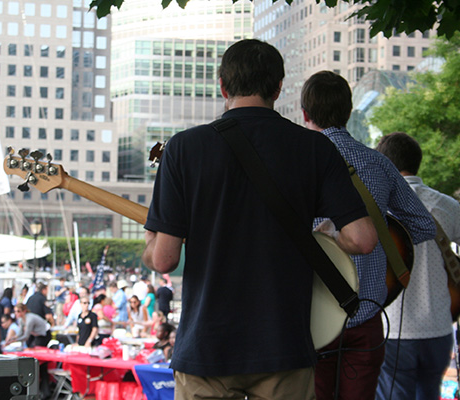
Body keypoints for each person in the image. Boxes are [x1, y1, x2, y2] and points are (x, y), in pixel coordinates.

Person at [142, 39, 378, 400]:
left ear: (222, 85)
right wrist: (325, 240)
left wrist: (150, 244)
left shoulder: (184, 148)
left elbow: (164, 259)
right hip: (285, 345)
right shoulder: (314, 148)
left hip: (207, 348)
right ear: (279, 87)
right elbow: (362, 239)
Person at [300, 71, 437, 400]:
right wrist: (377, 228)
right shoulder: (378, 162)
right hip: (366, 318)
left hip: (313, 317)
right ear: (349, 112)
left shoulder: (297, 162)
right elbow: (422, 224)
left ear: (305, 113)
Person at [374, 132, 460, 400]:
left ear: (383, 163)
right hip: (439, 328)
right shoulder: (447, 206)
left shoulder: (378, 209)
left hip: (394, 331)